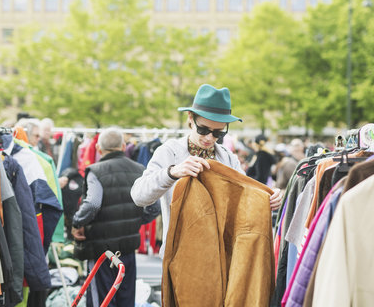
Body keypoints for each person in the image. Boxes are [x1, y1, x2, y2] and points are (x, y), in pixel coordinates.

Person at [131, 84, 282, 257]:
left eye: (219, 133)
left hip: (221, 257)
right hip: (179, 256)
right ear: (190, 118)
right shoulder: (169, 151)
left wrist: (269, 198)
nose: (210, 138)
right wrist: (172, 172)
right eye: (203, 129)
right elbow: (139, 196)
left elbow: (245, 198)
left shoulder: (227, 157)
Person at [71, 127, 145, 307]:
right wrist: (134, 220)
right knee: (126, 300)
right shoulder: (140, 169)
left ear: (98, 148)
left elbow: (93, 204)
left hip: (101, 252)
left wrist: (76, 221)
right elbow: (152, 207)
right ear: (123, 145)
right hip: (128, 249)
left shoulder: (96, 171)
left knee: (102, 302)